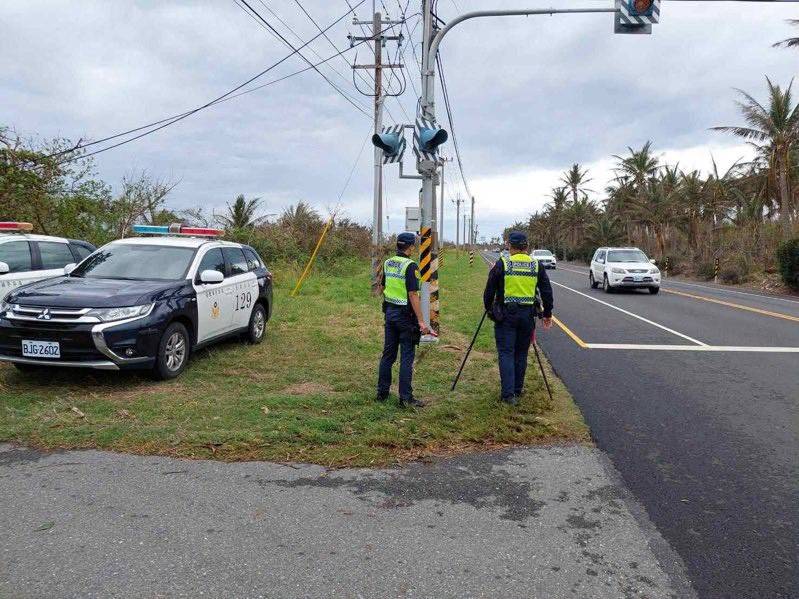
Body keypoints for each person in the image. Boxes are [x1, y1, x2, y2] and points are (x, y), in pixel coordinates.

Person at [483, 231, 554, 405]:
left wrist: (489, 309)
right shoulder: (536, 265)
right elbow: (546, 292)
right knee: (521, 353)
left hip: (506, 315)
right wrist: (547, 314)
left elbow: (489, 290)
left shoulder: (503, 264)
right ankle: (517, 389)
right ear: (526, 246)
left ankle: (508, 395)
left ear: (509, 246)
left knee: (506, 352)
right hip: (527, 316)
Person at [376, 232, 430, 408]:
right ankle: (405, 398)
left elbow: (382, 286)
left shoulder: (388, 262)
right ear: (410, 247)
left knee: (388, 355)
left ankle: (382, 393)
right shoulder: (410, 266)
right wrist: (421, 321)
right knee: (407, 357)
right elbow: (413, 294)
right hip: (406, 317)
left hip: (390, 313)